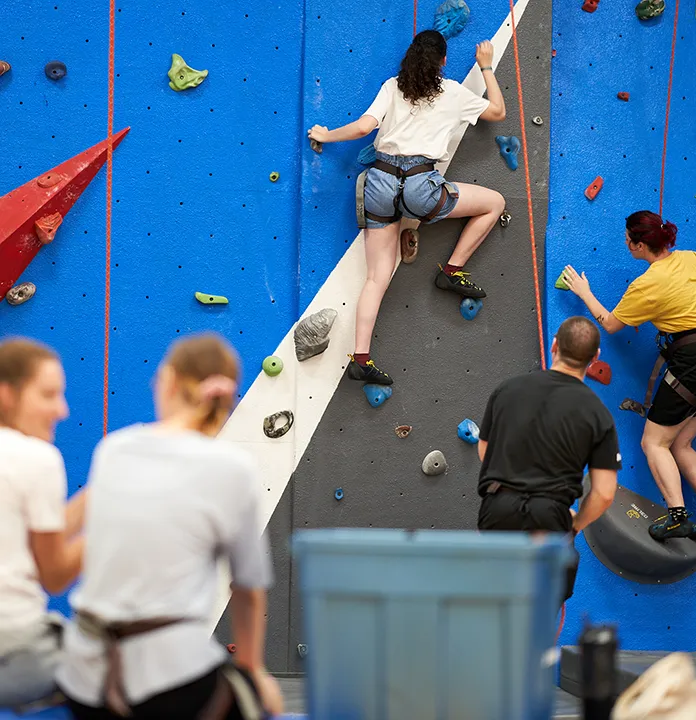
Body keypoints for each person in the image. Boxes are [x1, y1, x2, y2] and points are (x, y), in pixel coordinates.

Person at [57, 333, 283, 719]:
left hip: (84, 680)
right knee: (257, 701)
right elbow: (248, 587)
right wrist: (252, 672)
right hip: (171, 680)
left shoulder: (115, 448)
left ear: (169, 380)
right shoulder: (233, 468)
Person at [308, 30, 506, 385]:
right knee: (494, 203)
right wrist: (486, 67)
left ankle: (362, 358)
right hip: (421, 185)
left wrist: (325, 134)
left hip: (380, 182)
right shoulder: (454, 92)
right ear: (444, 61)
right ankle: (451, 271)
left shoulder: (393, 86)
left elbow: (363, 128)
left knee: (375, 278)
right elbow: (497, 111)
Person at [563, 211, 696, 541]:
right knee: (680, 443)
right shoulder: (693, 259)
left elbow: (610, 324)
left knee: (653, 442)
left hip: (692, 365)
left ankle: (677, 517)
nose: (625, 242)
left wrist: (584, 292)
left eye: (628, 238)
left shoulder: (646, 285)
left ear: (639, 244)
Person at [476, 317, 621, 603]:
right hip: (550, 513)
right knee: (539, 608)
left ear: (554, 345)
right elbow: (604, 493)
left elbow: (485, 451)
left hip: (498, 507)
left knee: (492, 602)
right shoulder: (597, 413)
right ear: (595, 358)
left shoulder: (507, 390)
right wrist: (576, 524)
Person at [0, 338, 86, 708]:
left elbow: (21, 544)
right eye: (49, 395)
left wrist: (96, 498)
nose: (62, 410)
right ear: (7, 394)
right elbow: (53, 576)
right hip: (16, 655)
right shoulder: (38, 458)